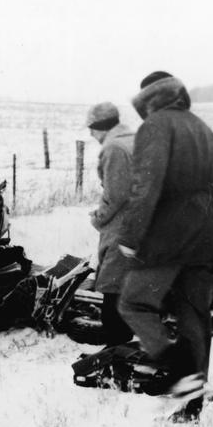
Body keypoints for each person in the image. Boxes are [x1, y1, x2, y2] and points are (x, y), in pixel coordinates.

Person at [117, 71, 213, 422]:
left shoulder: (155, 126)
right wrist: (202, 222)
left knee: (133, 302)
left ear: (148, 99)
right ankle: (193, 403)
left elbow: (145, 187)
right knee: (195, 317)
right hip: (207, 233)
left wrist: (131, 237)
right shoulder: (203, 128)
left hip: (168, 236)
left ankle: (180, 371)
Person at [85, 101, 136, 344]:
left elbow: (116, 195)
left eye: (91, 129)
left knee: (113, 283)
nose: (91, 134)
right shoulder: (133, 139)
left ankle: (116, 346)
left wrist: (98, 217)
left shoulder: (114, 148)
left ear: (100, 127)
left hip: (124, 223)